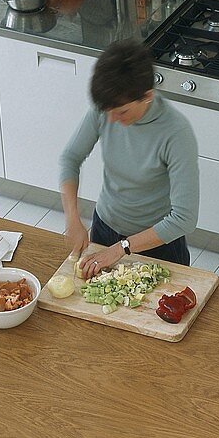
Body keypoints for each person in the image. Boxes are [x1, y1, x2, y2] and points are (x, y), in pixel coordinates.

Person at [59, 39, 199, 278]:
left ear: (147, 96)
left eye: (121, 112)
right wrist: (72, 217)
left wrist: (123, 248)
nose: (111, 120)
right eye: (107, 111)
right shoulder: (108, 108)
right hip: (104, 231)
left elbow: (184, 219)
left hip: (158, 246)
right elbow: (71, 158)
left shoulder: (176, 133)